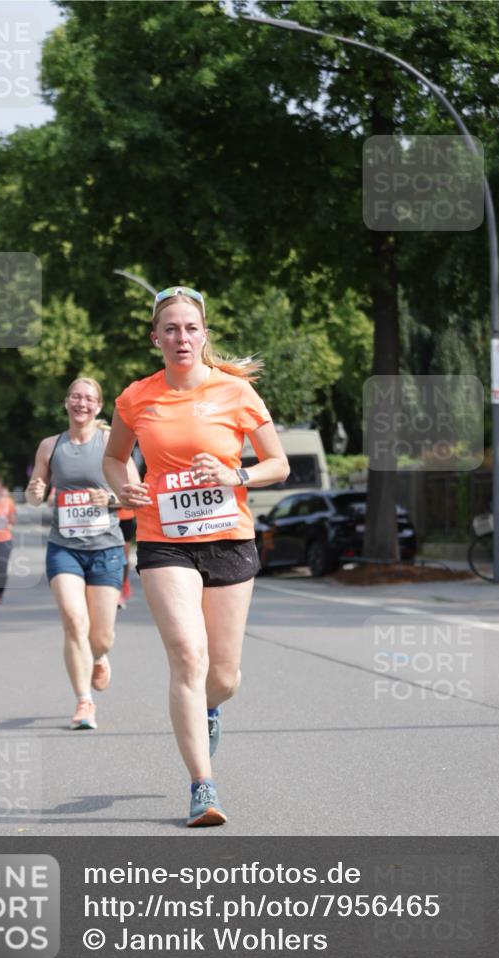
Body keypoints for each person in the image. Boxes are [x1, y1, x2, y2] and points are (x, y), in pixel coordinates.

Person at [103, 285, 289, 827]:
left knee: (223, 676)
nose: (181, 337)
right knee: (188, 655)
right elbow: (114, 458)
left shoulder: (236, 392)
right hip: (163, 537)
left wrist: (236, 474)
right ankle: (202, 786)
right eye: (171, 329)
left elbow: (278, 464)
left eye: (190, 328)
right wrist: (123, 485)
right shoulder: (136, 397)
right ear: (155, 338)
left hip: (228, 536)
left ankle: (208, 709)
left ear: (204, 334)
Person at [25, 377, 139, 730]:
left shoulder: (111, 441)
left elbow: (136, 495)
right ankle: (84, 702)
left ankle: (100, 656)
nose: (81, 403)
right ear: (66, 402)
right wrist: (35, 491)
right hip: (64, 548)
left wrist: (109, 498)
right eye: (76, 396)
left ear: (98, 406)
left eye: (89, 398)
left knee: (101, 636)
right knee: (74, 622)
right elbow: (35, 495)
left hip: (106, 548)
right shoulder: (50, 446)